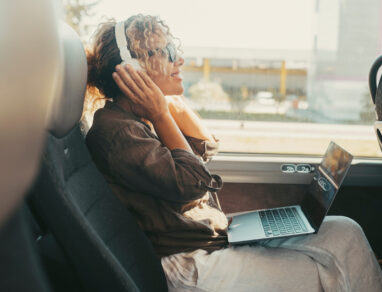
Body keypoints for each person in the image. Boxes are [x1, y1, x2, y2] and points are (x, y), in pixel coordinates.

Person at [85, 14, 382, 291]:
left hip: (209, 238)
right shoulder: (119, 132)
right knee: (324, 272)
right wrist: (162, 114)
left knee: (345, 231)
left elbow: (206, 147)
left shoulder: (140, 117)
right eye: (169, 53)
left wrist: (166, 105)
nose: (181, 60)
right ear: (135, 69)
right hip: (188, 263)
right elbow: (193, 182)